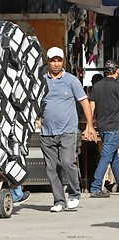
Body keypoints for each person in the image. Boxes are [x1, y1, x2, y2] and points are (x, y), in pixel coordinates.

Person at [40, 47, 96, 212]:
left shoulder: (71, 80)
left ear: (63, 61)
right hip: (46, 132)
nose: (56, 64)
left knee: (67, 162)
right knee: (51, 168)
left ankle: (74, 194)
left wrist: (89, 125)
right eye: (53, 60)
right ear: (48, 61)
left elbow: (84, 102)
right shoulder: (42, 81)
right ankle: (59, 201)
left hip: (67, 131)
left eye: (59, 60)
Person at [87, 59, 119, 198]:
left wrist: (90, 125)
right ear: (116, 70)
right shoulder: (117, 87)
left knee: (113, 158)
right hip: (114, 126)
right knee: (107, 156)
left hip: (101, 127)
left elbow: (91, 107)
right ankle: (95, 187)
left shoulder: (96, 87)